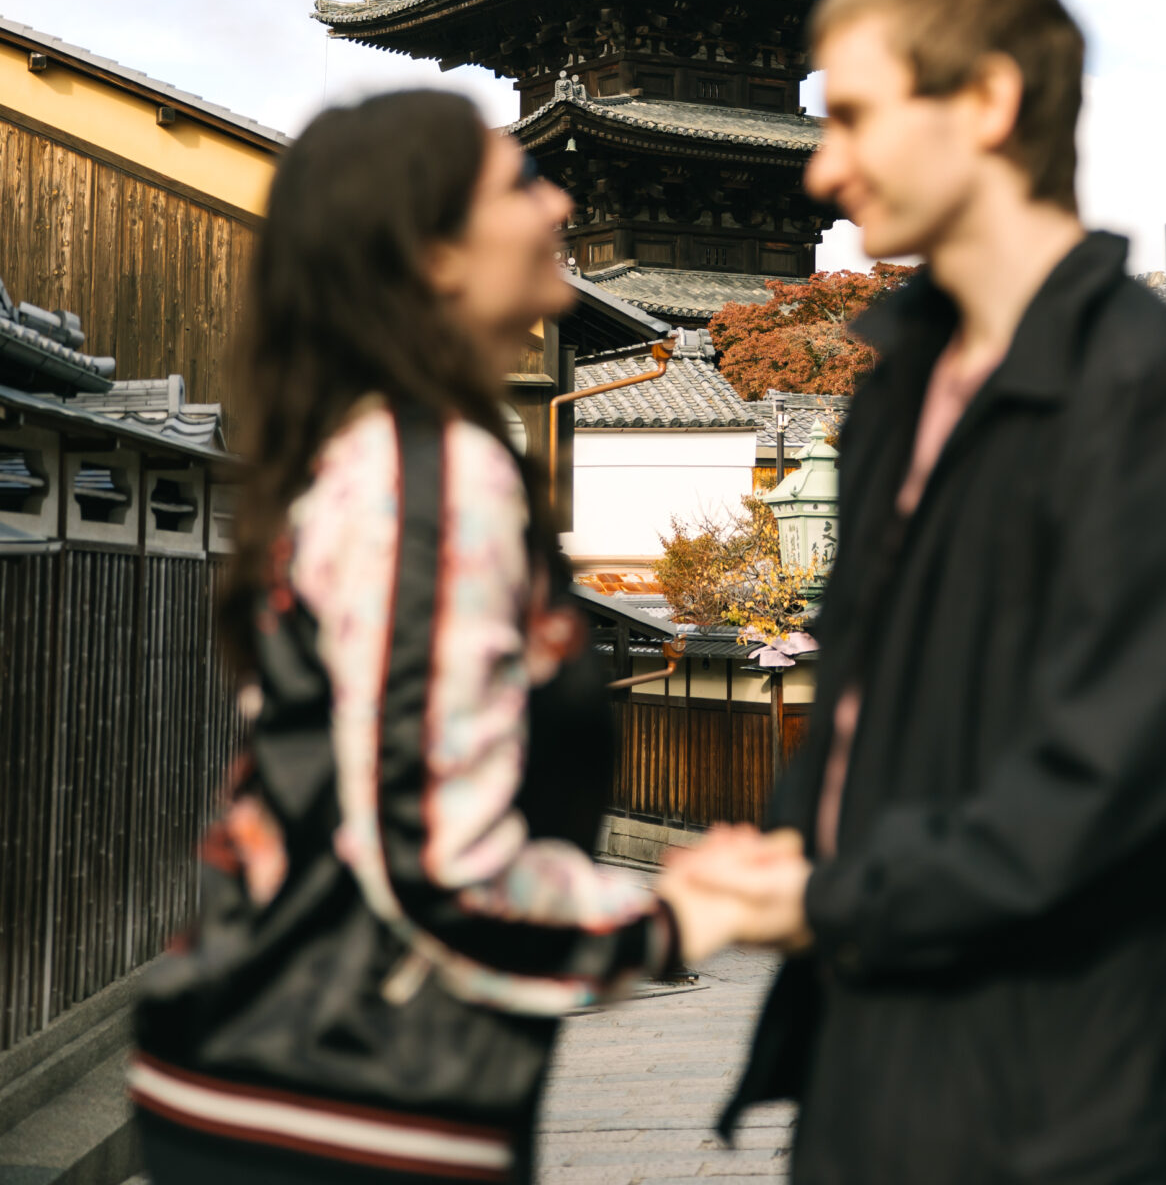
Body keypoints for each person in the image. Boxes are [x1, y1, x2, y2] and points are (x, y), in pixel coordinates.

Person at [658, 0, 1166, 1185]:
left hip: (1088, 1098)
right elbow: (864, 707)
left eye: (851, 115)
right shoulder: (898, 391)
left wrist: (825, 897)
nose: (821, 169)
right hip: (889, 1057)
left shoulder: (1152, 390)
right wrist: (784, 848)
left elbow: (1117, 778)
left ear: (988, 103)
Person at [130, 91, 739, 1185]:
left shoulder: (389, 456)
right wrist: (680, 914)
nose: (558, 198)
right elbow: (430, 868)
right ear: (435, 254)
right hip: (334, 1106)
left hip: (299, 1080)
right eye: (516, 182)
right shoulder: (428, 480)